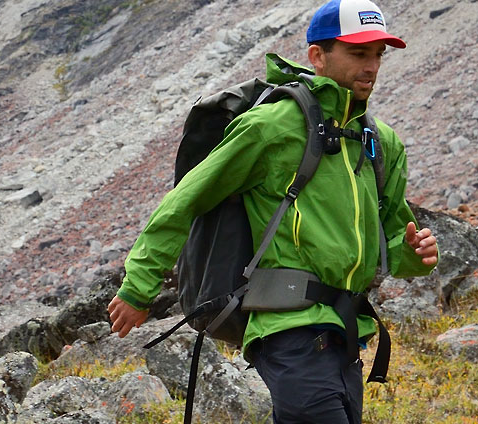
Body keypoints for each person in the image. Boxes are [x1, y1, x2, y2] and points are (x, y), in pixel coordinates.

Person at [104, 0, 440, 422]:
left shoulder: (379, 141)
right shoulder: (272, 126)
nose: (371, 66)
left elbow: (395, 236)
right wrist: (138, 289)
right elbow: (185, 201)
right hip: (288, 331)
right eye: (358, 53)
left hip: (347, 335)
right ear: (317, 56)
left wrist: (416, 253)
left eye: (378, 55)